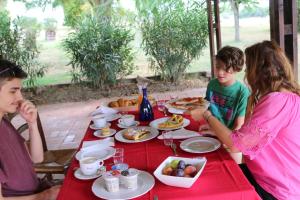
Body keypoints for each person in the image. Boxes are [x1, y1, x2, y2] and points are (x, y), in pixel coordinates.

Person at [200, 41, 300, 199]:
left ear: (260, 71)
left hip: (276, 188)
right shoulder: (286, 95)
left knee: (210, 186)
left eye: (248, 69)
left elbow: (236, 145)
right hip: (274, 179)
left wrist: (206, 116)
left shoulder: (277, 101)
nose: (247, 74)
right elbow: (246, 135)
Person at [0, 59, 60, 200]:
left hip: (36, 190)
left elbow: (37, 158)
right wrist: (44, 196)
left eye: (20, 91)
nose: (20, 97)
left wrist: (32, 124)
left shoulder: (4, 122)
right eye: (13, 91)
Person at [200, 46, 250, 132]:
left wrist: (221, 135)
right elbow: (207, 109)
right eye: (217, 67)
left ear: (236, 69)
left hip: (230, 137)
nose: (220, 72)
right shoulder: (212, 84)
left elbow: (239, 125)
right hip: (212, 130)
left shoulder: (242, 92)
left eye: (226, 69)